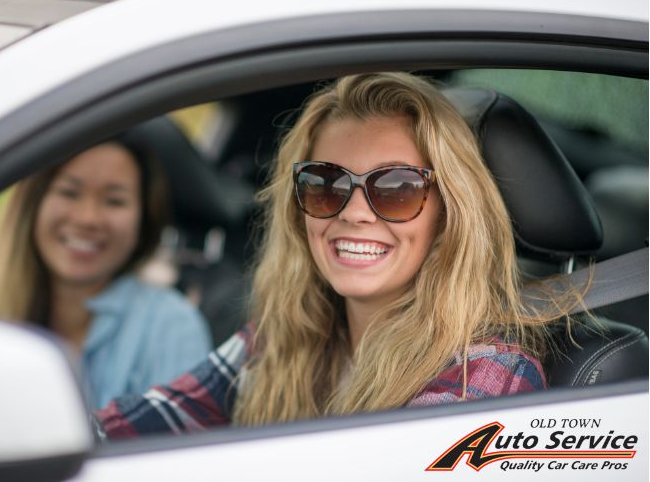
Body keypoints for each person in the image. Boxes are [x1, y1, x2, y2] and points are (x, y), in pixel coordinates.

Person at [97, 72, 577, 438]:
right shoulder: (279, 337)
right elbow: (143, 423)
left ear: (448, 213)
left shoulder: (486, 377)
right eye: (326, 184)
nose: (354, 213)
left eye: (397, 188)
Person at [0, 139, 212, 409]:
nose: (88, 218)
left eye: (114, 201)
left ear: (143, 221)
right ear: (32, 205)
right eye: (69, 192)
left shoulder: (171, 327)